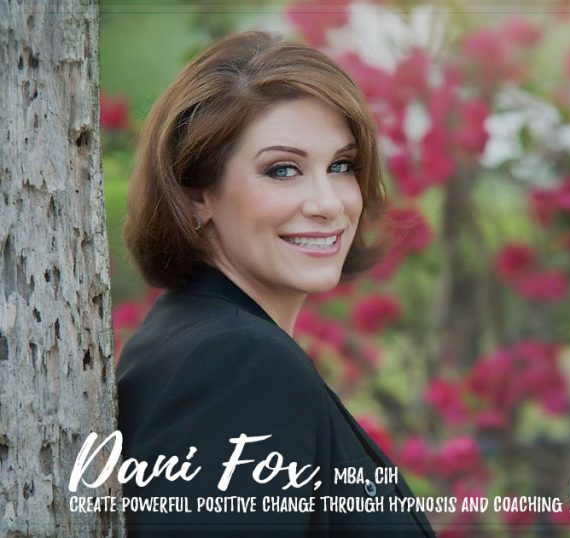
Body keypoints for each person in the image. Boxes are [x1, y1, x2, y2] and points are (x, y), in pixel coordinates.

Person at [116, 30, 435, 536]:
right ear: (197, 193)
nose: (328, 202)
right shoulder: (236, 365)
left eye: (341, 165)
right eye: (283, 169)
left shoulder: (192, 339)